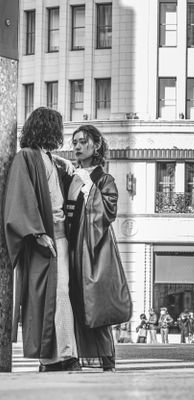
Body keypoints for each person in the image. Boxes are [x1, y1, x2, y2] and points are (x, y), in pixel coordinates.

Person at [3, 107, 80, 372]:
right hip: (45, 238)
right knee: (52, 296)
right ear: (49, 128)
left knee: (60, 295)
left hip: (59, 236)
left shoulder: (46, 157)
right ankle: (58, 357)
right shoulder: (26, 156)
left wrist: (62, 163)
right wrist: (37, 232)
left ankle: (60, 355)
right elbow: (21, 195)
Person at [65, 124, 118, 372]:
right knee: (72, 302)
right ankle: (72, 356)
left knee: (95, 302)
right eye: (74, 142)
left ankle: (106, 359)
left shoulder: (104, 179)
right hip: (70, 247)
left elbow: (109, 211)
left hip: (93, 249)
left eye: (83, 141)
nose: (77, 146)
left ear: (96, 145)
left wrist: (88, 193)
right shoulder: (70, 175)